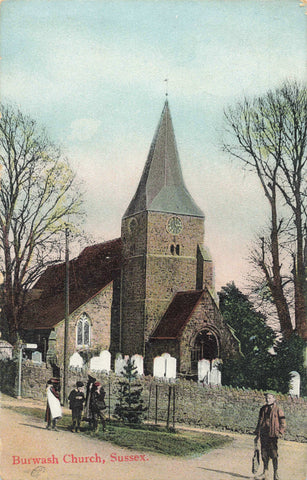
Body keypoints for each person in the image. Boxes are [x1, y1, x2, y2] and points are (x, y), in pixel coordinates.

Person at [254, 392, 286, 480]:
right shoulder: (263, 409)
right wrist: (257, 432)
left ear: (274, 399)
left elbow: (283, 423)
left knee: (274, 454)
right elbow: (259, 421)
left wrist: (280, 432)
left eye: (270, 398)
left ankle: (276, 474)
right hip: (264, 435)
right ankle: (265, 473)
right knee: (264, 454)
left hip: (273, 435)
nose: (267, 400)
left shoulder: (278, 410)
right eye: (267, 398)